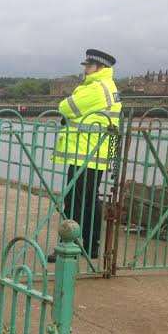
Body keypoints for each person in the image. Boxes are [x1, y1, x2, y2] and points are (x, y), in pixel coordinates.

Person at [50, 48, 122, 262]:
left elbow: (65, 107)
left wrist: (69, 102)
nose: (85, 70)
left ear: (100, 67)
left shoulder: (96, 88)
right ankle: (90, 246)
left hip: (85, 153)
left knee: (75, 202)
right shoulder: (108, 86)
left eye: (88, 66)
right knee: (90, 201)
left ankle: (70, 246)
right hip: (94, 154)